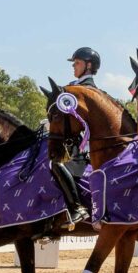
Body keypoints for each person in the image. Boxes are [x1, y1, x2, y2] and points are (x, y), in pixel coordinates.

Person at [50, 47, 100, 227]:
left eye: (77, 63)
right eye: (74, 63)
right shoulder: (74, 87)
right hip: (71, 140)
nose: (73, 66)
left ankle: (75, 208)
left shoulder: (88, 90)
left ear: (88, 65)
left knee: (56, 163)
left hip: (82, 144)